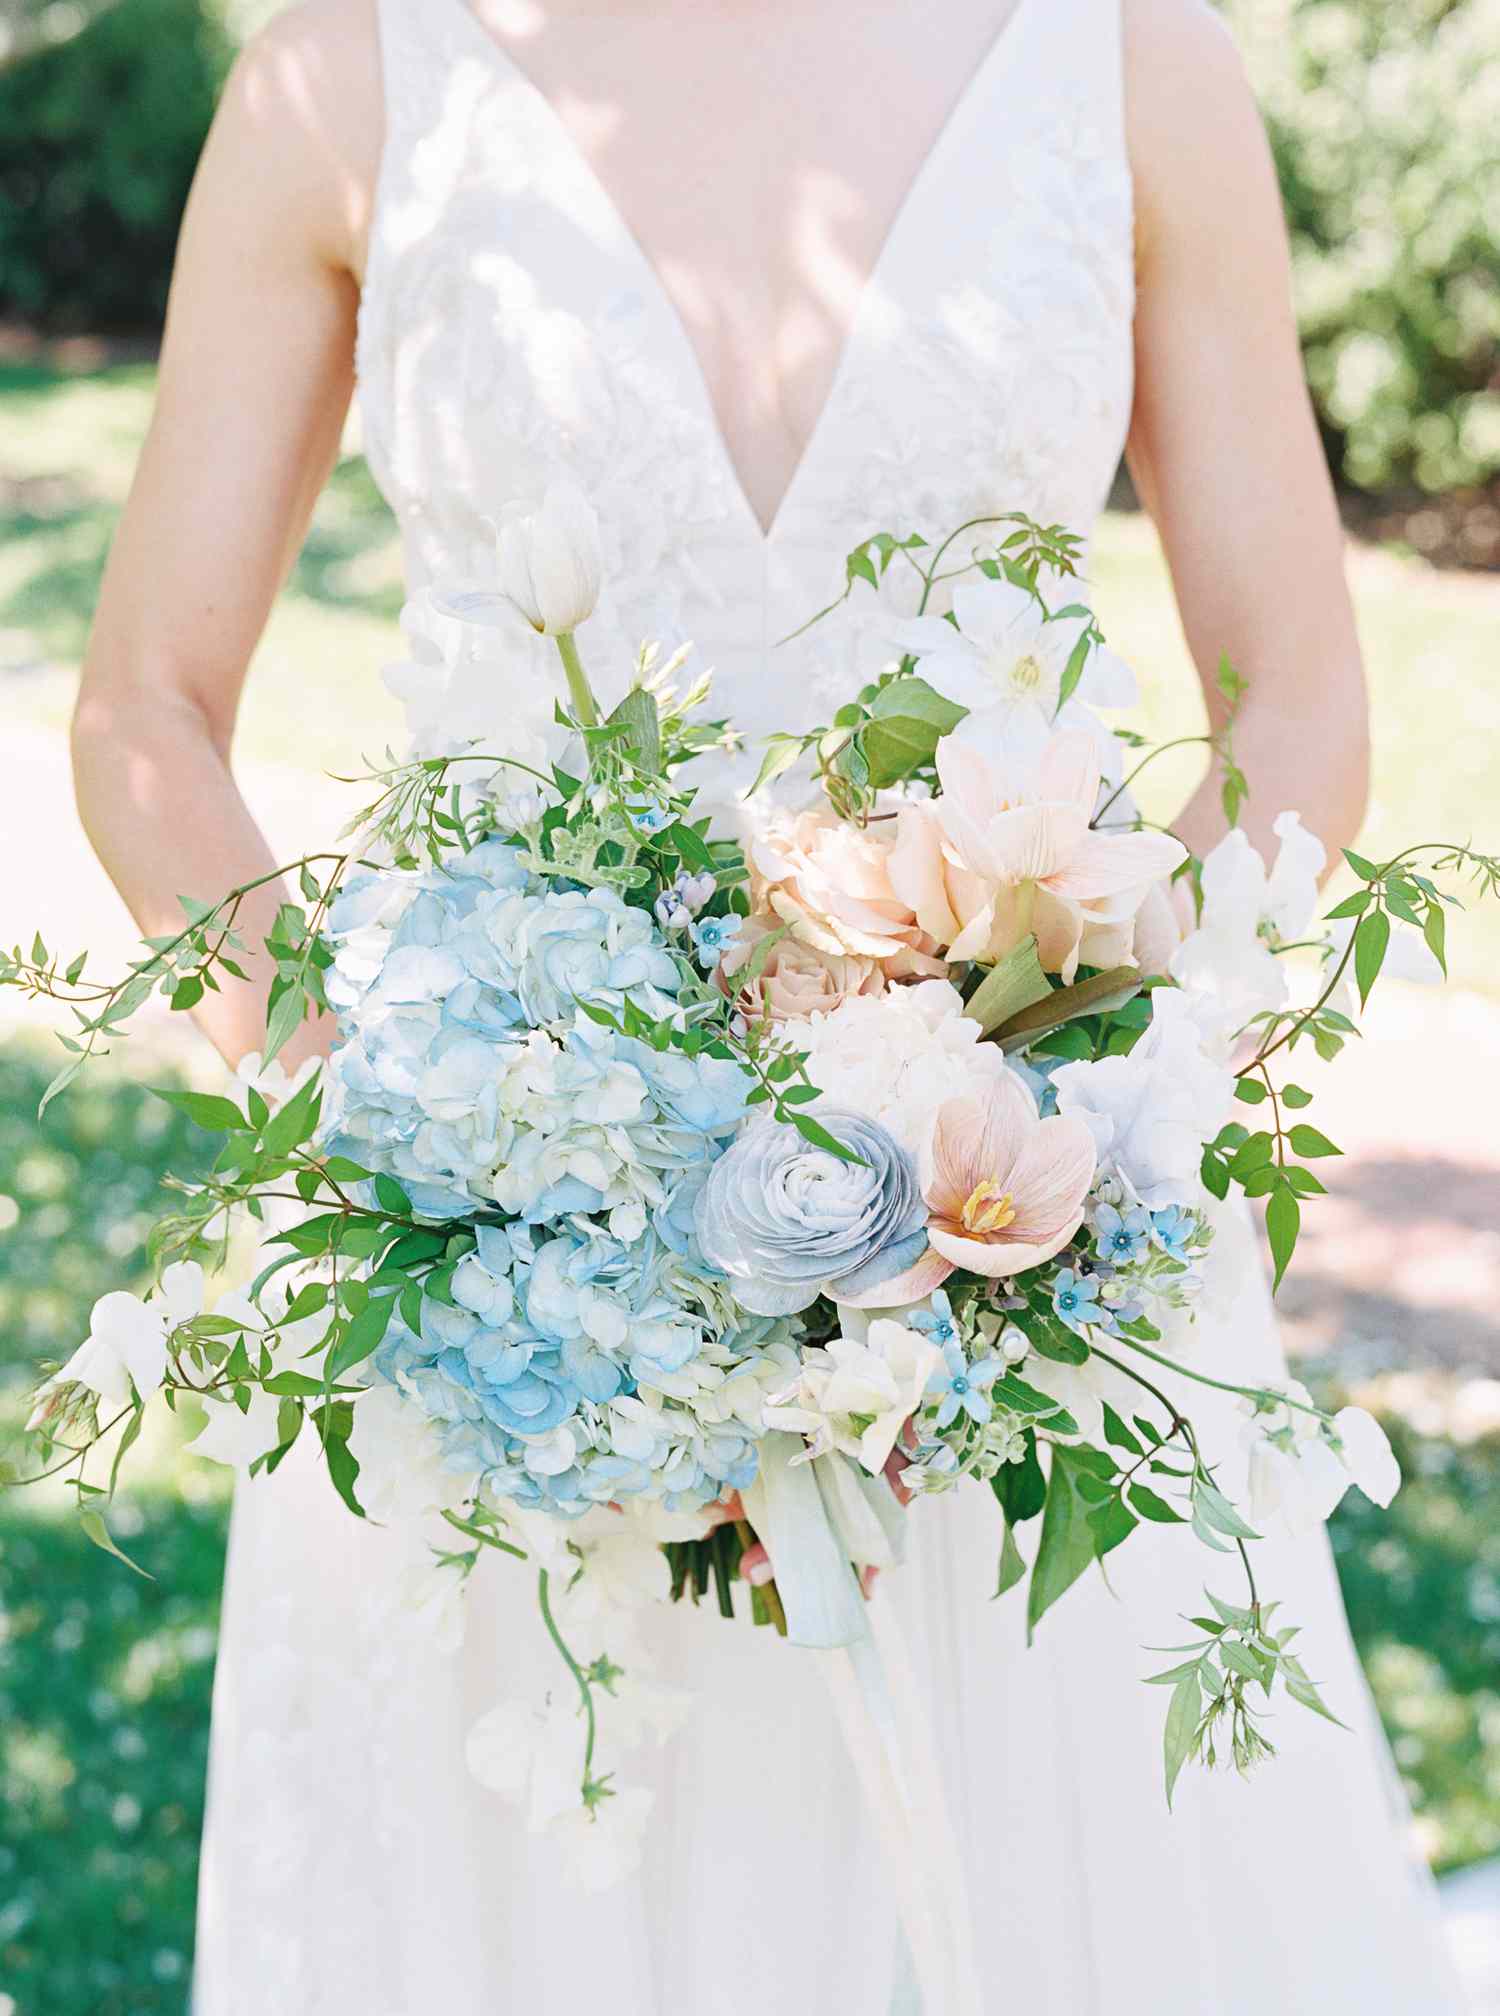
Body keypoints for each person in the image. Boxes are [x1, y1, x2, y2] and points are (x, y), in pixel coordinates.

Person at [73, 1, 1461, 2009]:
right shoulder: (347, 79)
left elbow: (1299, 698)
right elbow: (145, 715)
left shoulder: (1133, 57)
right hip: (507, 1346)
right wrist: (432, 1148)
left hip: (1018, 1304)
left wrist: (1046, 1135)